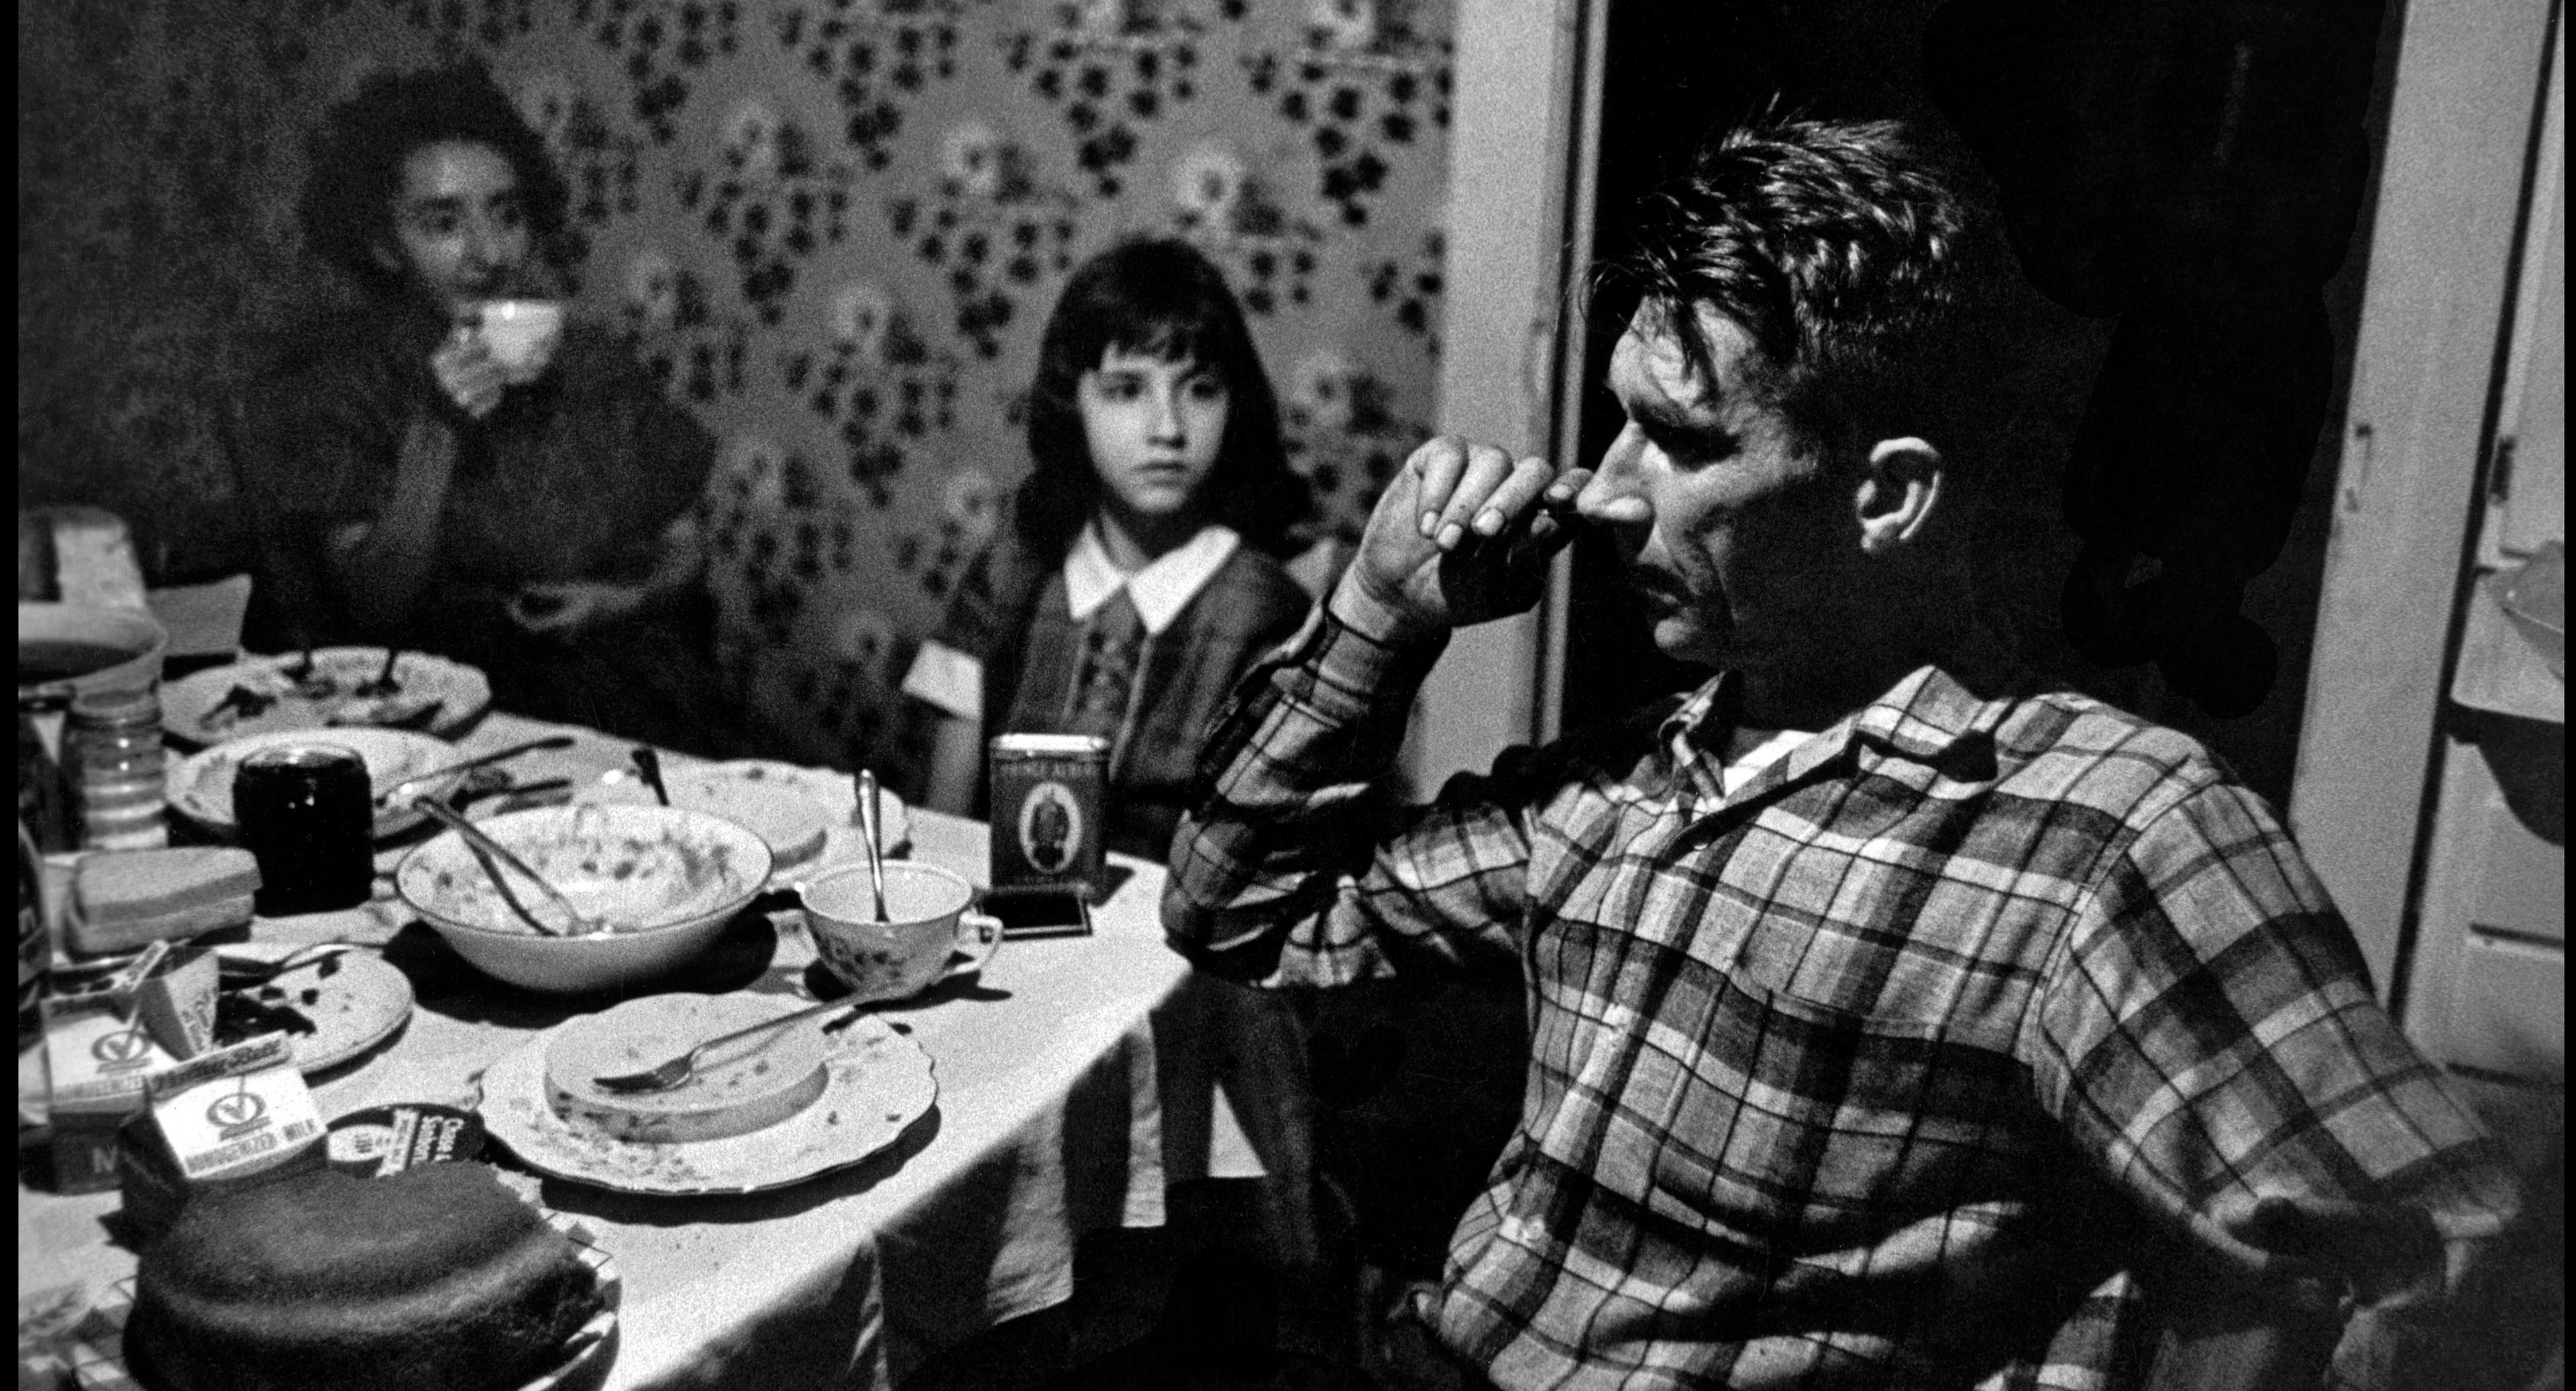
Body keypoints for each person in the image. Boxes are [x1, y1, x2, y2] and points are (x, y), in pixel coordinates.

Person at [1163, 117, 2529, 1390]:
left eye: (1685, 444)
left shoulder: (2103, 833)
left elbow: (2432, 1256)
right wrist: (1377, 618)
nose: (1601, 489)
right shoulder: (1625, 781)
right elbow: (1239, 915)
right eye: (1617, 421)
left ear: (1889, 496)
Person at [233, 64, 746, 756]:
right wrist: (436, 435)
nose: (489, 253)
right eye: (443, 222)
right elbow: (369, 609)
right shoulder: (346, 381)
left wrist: (619, 601)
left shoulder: (592, 363)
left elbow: (686, 544)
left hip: (629, 693)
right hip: (448, 724)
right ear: (383, 245)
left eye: (506, 214)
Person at [903, 236, 1313, 860]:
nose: (1168, 429)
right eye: (1127, 390)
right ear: (1075, 405)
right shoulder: (1013, 573)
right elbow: (944, 831)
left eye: (1199, 389)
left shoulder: (1268, 615)